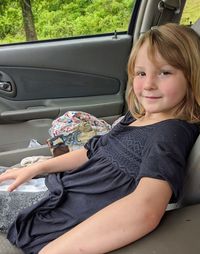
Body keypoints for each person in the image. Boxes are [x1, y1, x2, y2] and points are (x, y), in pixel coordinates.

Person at [0, 23, 200, 254]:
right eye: (141, 73)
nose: (148, 85)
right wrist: (38, 168)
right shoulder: (136, 116)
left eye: (165, 72)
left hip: (62, 209)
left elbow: (145, 207)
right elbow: (91, 152)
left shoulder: (169, 133)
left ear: (192, 76)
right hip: (60, 187)